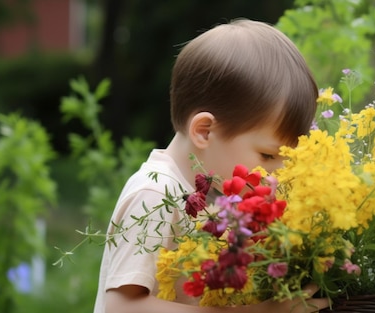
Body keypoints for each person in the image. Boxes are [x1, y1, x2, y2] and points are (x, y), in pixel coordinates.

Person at [93, 19, 328, 313]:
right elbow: (123, 307)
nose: (276, 175)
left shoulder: (209, 197)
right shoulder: (155, 194)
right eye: (268, 156)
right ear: (204, 131)